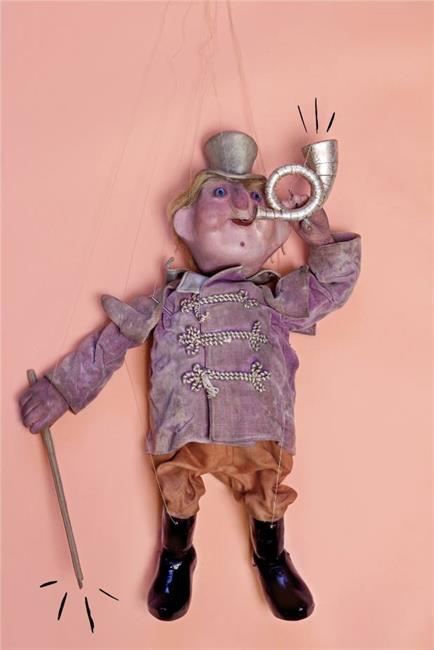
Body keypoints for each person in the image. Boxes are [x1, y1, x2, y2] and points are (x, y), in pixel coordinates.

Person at [19, 130, 361, 621]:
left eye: (256, 198)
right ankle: (177, 555)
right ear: (184, 221)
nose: (242, 204)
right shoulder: (168, 300)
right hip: (183, 432)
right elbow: (114, 340)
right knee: (176, 489)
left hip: (261, 431)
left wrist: (322, 242)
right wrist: (61, 388)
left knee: (267, 491)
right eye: (220, 192)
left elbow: (329, 289)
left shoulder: (275, 298)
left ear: (276, 233)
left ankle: (271, 557)